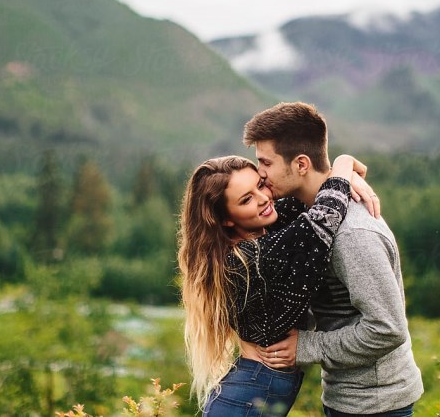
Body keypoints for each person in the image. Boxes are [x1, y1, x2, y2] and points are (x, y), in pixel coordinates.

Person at [244, 102, 424, 417]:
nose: (260, 173)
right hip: (346, 397)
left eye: (265, 162)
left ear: (301, 164)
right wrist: (343, 167)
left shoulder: (352, 234)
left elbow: (388, 328)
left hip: (377, 405)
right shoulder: (309, 213)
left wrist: (306, 346)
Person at [177, 153, 378, 416]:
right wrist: (343, 163)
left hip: (252, 390)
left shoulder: (263, 229)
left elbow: (305, 193)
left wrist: (342, 174)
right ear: (226, 218)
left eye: (260, 185)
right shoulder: (249, 259)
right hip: (246, 397)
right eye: (246, 199)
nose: (263, 199)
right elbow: (323, 215)